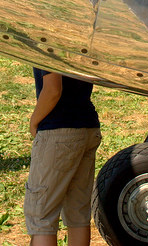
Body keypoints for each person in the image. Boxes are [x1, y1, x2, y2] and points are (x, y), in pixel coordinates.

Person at [24, 68, 101, 246]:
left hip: (58, 130)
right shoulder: (77, 38)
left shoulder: (46, 39)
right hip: (87, 126)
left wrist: (34, 121)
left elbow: (53, 89)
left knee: (41, 218)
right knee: (78, 214)